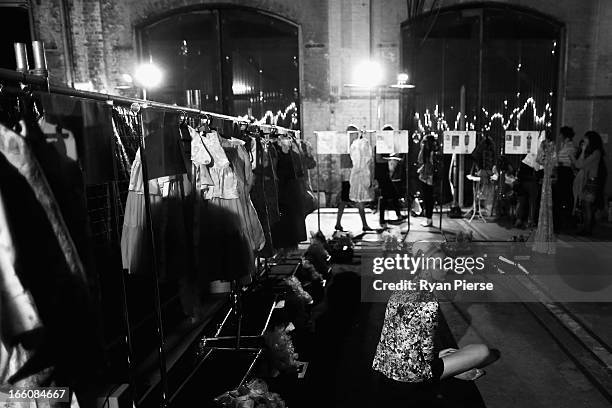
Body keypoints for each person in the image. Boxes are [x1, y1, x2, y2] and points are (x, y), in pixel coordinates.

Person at [372, 242, 498, 393]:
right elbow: (426, 354)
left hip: (385, 368)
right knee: (482, 351)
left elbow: (390, 338)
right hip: (411, 378)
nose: (446, 268)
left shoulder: (401, 288)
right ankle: (456, 372)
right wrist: (438, 359)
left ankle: (455, 369)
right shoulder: (429, 301)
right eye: (440, 265)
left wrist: (439, 354)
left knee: (450, 353)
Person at [335, 125, 373, 232]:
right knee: (345, 201)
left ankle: (364, 224)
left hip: (355, 176)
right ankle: (338, 223)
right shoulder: (347, 147)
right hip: (348, 176)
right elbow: (346, 163)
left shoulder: (354, 145)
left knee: (358, 200)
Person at [571, 130, 607, 235]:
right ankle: (585, 228)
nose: (584, 140)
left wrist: (573, 157)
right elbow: (578, 164)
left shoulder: (596, 153)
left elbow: (580, 165)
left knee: (587, 206)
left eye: (586, 138)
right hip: (588, 181)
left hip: (592, 181)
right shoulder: (590, 152)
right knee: (585, 206)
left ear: (591, 140)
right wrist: (582, 151)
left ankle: (587, 229)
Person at [375, 125, 407, 229]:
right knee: (389, 195)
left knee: (391, 195)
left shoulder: (384, 144)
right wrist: (393, 158)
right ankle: (384, 219)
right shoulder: (379, 144)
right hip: (381, 174)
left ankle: (394, 216)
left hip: (384, 173)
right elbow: (378, 159)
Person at [532, 130, 556, 254]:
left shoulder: (545, 145)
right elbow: (551, 161)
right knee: (548, 207)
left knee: (545, 207)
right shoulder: (552, 146)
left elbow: (538, 160)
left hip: (547, 180)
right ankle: (547, 235)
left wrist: (543, 154)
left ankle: (544, 235)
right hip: (550, 179)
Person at [554, 126, 576, 231]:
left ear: (564, 135)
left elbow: (572, 162)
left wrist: (559, 162)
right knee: (561, 198)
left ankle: (565, 224)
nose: (559, 136)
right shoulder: (564, 146)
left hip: (566, 174)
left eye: (560, 134)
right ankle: (561, 223)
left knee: (564, 197)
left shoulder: (570, 147)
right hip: (562, 173)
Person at [417, 133, 438, 227]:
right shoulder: (432, 151)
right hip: (429, 176)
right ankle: (428, 218)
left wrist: (422, 147)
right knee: (428, 198)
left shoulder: (430, 152)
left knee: (428, 198)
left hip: (428, 177)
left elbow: (420, 160)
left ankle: (429, 219)